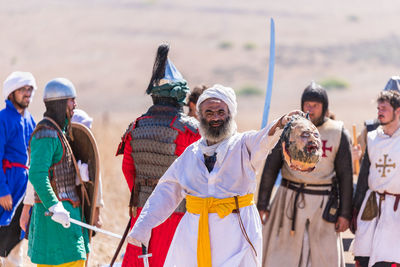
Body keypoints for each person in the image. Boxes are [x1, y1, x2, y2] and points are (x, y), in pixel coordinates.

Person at [126, 83, 296, 267]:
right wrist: (143, 227)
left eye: (220, 112)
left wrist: (282, 123)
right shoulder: (190, 154)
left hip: (236, 235)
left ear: (230, 113)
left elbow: (265, 139)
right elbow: (166, 191)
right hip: (193, 236)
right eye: (209, 112)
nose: (215, 117)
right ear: (200, 116)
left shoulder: (243, 145)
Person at [115, 43, 200, 267]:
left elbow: (128, 169)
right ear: (179, 95)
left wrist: (146, 194)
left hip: (142, 212)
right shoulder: (190, 130)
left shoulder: (135, 127)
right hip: (176, 213)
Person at [258, 81, 353, 267]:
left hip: (323, 203)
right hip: (289, 199)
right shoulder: (291, 128)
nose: (311, 109)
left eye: (315, 105)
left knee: (324, 259)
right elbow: (271, 167)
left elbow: (345, 176)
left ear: (324, 107)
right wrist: (262, 203)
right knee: (282, 256)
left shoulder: (337, 132)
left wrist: (345, 213)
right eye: (307, 104)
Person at [27, 78, 90, 267]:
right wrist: (54, 205)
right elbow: (37, 174)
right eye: (71, 100)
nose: (75, 105)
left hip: (67, 215)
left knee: (76, 260)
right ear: (61, 103)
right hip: (54, 219)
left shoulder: (58, 131)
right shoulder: (46, 135)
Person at [19, 108, 104, 234]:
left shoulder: (88, 158)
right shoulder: (53, 147)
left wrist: (96, 213)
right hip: (51, 208)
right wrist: (26, 209)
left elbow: (96, 184)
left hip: (77, 208)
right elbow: (36, 177)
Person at [352, 90, 400, 267]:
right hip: (371, 207)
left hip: (396, 211)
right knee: (364, 258)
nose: (379, 112)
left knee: (390, 260)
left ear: (398, 111)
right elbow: (364, 177)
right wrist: (355, 208)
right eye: (378, 108)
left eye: (384, 108)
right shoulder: (372, 138)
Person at [0, 71, 37, 267]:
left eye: (30, 89)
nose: (27, 93)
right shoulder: (2, 119)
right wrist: (2, 190)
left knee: (16, 243)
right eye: (22, 89)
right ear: (11, 92)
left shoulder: (31, 120)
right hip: (6, 185)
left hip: (23, 188)